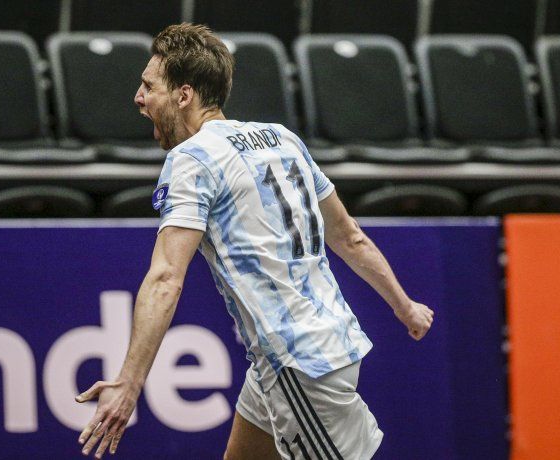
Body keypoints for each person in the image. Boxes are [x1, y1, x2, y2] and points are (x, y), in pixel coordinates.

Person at [76, 23, 434, 460]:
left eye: (149, 86)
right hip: (306, 350)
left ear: (184, 95)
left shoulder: (191, 159)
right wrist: (404, 306)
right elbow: (350, 237)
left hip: (298, 364)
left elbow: (166, 276)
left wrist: (128, 384)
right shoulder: (283, 139)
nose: (138, 97)